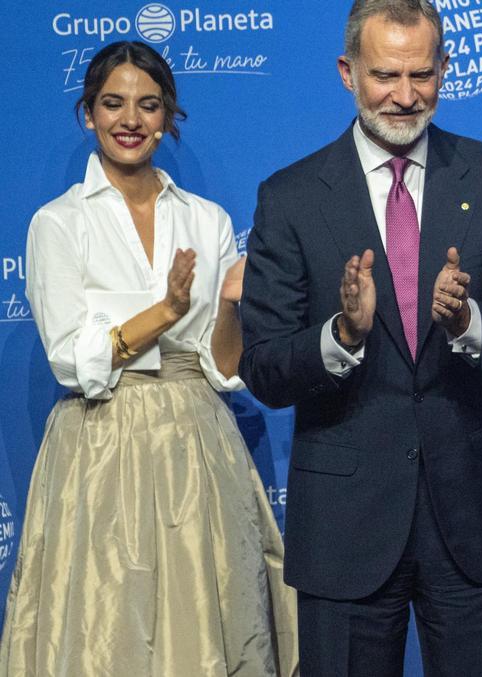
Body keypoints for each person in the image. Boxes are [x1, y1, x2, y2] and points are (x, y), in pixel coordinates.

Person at [237, 1, 482, 674]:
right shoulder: (290, 197)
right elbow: (263, 365)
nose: (406, 96)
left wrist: (468, 320)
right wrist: (340, 333)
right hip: (345, 523)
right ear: (347, 72)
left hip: (474, 512)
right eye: (385, 75)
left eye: (422, 74)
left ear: (445, 68)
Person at [0, 41, 298, 675]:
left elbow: (221, 367)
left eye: (148, 105)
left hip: (198, 441)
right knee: (106, 629)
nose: (130, 119)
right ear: (88, 114)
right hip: (99, 442)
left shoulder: (208, 219)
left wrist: (228, 305)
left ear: (168, 119)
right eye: (113, 103)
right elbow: (70, 359)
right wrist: (164, 311)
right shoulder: (57, 224)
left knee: (209, 622)